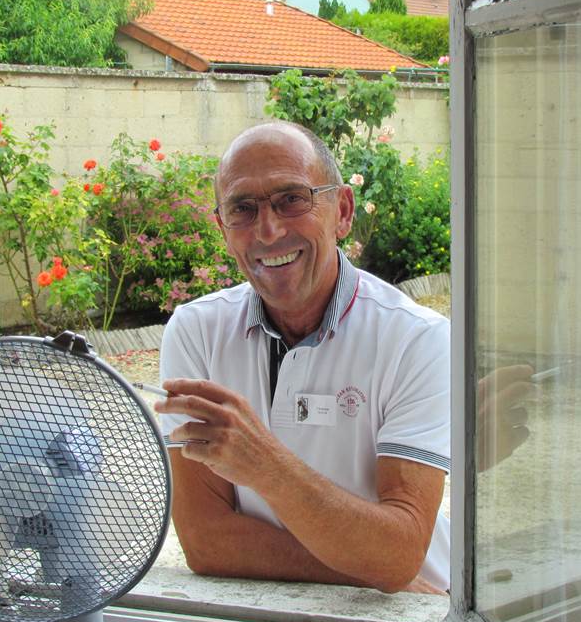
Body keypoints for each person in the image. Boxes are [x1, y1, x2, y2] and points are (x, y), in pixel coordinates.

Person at [154, 121, 527, 594]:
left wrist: (265, 466)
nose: (268, 230)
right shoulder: (196, 332)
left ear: (343, 212)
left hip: (407, 618)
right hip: (304, 612)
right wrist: (367, 570)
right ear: (222, 229)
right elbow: (206, 541)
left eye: (292, 199)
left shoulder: (417, 340)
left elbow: (399, 549)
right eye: (242, 209)